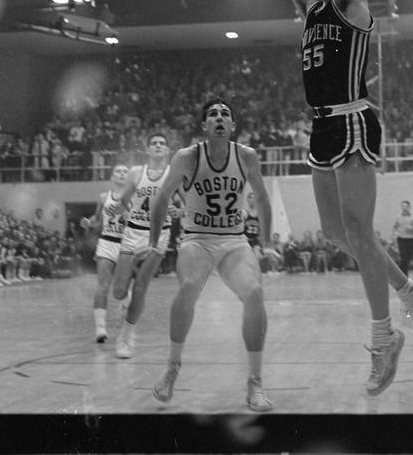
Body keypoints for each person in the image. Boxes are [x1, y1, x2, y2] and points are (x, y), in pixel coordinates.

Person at [238, 0, 413, 397]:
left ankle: (382, 340)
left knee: (357, 232)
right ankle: (412, 294)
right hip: (320, 128)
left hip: (353, 121)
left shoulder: (353, 1)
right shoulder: (311, 6)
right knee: (334, 232)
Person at [149, 99, 281, 412]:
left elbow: (262, 198)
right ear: (204, 126)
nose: (219, 118)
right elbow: (162, 197)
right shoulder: (187, 157)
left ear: (232, 126)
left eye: (225, 114)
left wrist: (266, 242)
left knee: (255, 292)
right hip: (198, 238)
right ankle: (172, 367)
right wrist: (155, 241)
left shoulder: (245, 155)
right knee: (189, 287)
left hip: (234, 240)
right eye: (212, 114)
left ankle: (255, 382)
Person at [111, 132, 178, 359]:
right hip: (133, 232)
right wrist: (118, 209)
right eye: (154, 143)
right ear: (147, 150)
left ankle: (124, 340)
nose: (158, 146)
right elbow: (124, 200)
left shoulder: (173, 174)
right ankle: (123, 300)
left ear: (167, 150)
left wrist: (181, 211)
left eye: (162, 143)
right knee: (119, 290)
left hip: (159, 235)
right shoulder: (136, 173)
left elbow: (187, 205)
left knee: (141, 287)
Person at [80, 163, 130, 343]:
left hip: (126, 244)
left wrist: (128, 216)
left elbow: (139, 222)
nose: (122, 174)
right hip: (107, 242)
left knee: (120, 290)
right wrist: (88, 222)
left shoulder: (134, 197)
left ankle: (125, 304)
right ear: (112, 177)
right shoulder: (104, 197)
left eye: (126, 171)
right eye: (119, 171)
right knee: (103, 287)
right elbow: (98, 219)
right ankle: (100, 328)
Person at [392, 200, 413, 277]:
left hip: (410, 239)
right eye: (403, 206)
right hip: (401, 239)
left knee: (408, 259)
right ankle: (404, 276)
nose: (404, 208)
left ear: (409, 207)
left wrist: (412, 228)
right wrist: (394, 236)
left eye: (406, 206)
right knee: (404, 257)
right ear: (401, 207)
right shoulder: (398, 217)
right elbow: (395, 227)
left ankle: (401, 274)